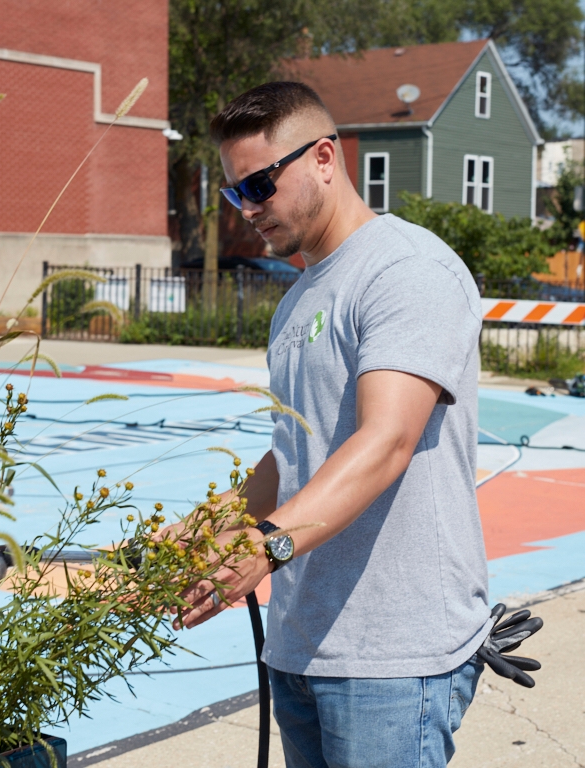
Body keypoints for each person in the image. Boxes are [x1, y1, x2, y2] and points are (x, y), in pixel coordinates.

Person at [170, 82, 491, 768]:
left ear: (323, 157)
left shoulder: (406, 270)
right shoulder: (299, 301)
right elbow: (297, 449)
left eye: (260, 183)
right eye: (235, 193)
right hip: (303, 644)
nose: (249, 207)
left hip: (392, 659)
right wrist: (211, 525)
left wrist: (267, 547)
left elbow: (387, 441)